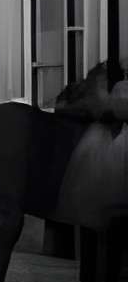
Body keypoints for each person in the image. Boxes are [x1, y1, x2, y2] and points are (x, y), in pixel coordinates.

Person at [55, 59, 128, 230]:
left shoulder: (118, 89)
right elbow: (99, 108)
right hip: (102, 137)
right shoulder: (108, 86)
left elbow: (101, 109)